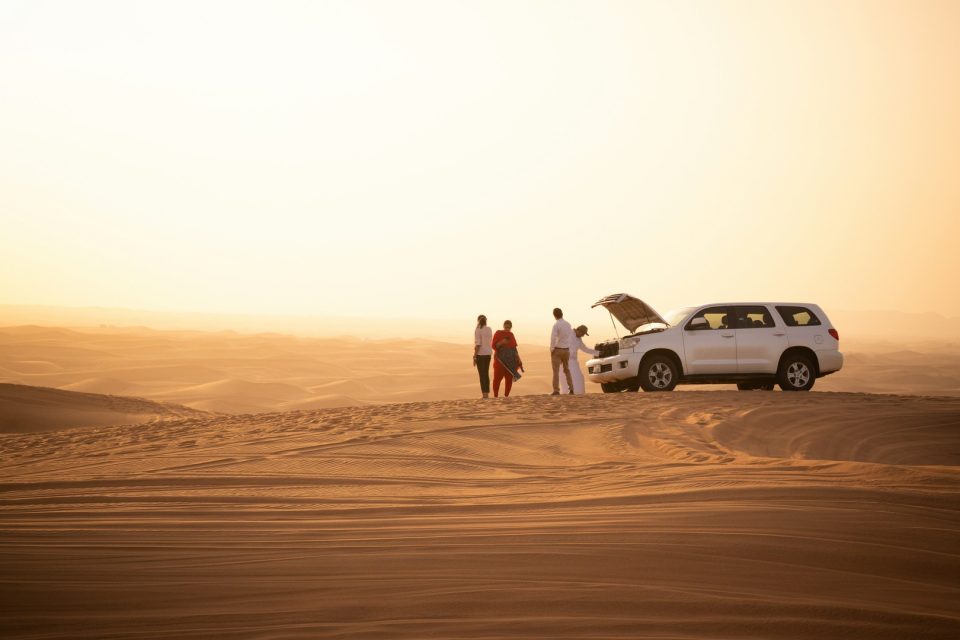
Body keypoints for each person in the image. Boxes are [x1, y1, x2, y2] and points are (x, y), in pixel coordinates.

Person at [560, 325, 598, 394]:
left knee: (579, 378)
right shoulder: (568, 334)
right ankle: (566, 395)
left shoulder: (579, 339)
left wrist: (597, 353)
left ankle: (579, 394)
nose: (583, 336)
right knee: (565, 379)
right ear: (578, 331)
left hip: (574, 362)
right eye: (583, 334)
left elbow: (585, 349)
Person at [491, 320, 523, 397]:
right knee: (497, 379)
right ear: (503, 326)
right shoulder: (498, 333)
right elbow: (494, 346)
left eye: (509, 328)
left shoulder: (511, 335)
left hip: (510, 361)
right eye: (506, 327)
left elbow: (514, 349)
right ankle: (495, 396)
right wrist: (502, 342)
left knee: (509, 380)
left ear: (511, 327)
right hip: (500, 361)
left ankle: (506, 397)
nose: (507, 329)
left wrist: (518, 359)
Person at [549, 307, 575, 395]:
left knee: (556, 371)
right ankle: (571, 388)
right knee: (567, 369)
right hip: (566, 350)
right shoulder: (568, 324)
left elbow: (553, 338)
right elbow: (570, 336)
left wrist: (552, 349)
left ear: (554, 315)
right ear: (562, 314)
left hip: (558, 350)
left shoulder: (556, 325)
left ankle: (556, 390)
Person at [473, 314, 493, 398]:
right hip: (488, 354)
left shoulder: (478, 330)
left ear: (478, 320)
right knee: (486, 373)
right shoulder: (489, 329)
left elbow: (478, 344)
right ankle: (486, 394)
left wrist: (474, 356)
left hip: (481, 354)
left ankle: (484, 394)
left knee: (482, 374)